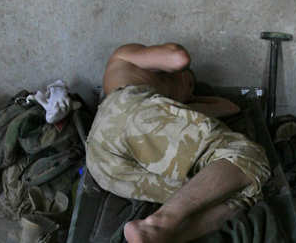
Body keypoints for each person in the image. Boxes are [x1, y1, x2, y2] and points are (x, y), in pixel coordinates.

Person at [86, 43, 270, 243]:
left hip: (102, 165)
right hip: (127, 112)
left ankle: (161, 237)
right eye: (190, 83)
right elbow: (178, 58)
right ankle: (157, 225)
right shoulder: (125, 60)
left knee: (236, 192)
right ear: (178, 74)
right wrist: (181, 81)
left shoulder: (166, 110)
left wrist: (188, 100)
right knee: (249, 157)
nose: (189, 92)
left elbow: (230, 107)